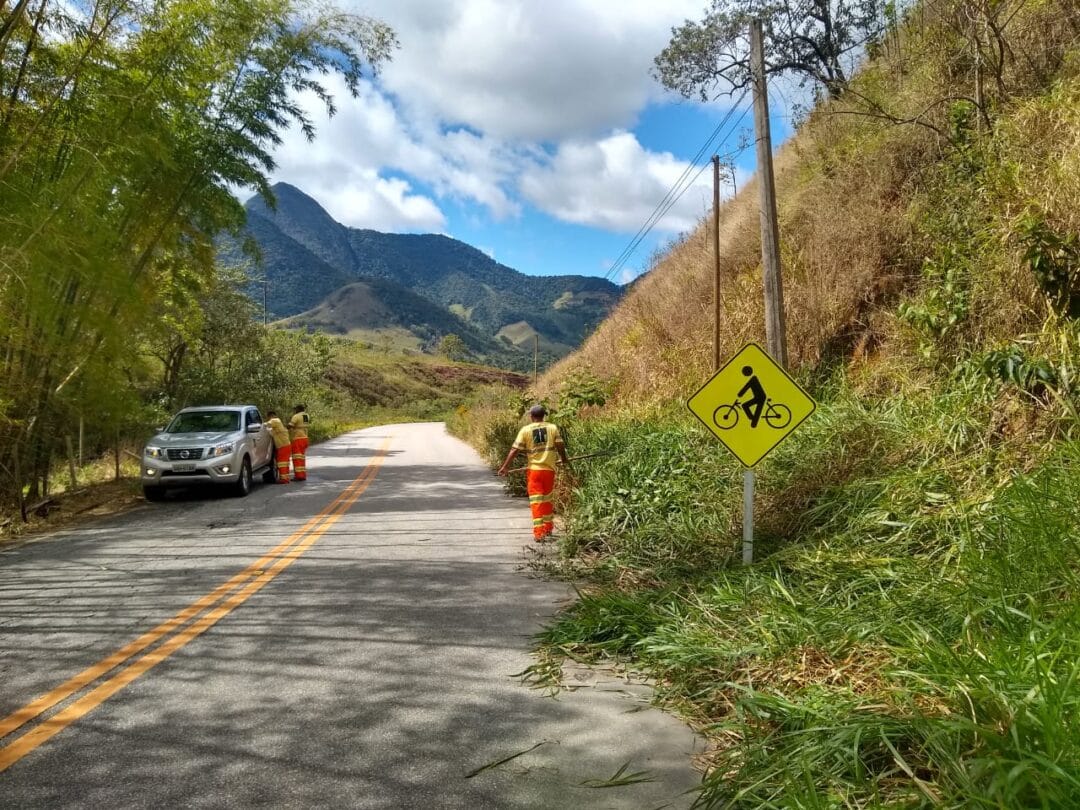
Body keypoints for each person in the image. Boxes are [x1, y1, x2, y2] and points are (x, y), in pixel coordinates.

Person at [497, 404, 570, 542]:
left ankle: (539, 533)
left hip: (534, 472)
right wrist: (564, 459)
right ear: (544, 415)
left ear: (531, 416)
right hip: (549, 471)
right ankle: (548, 528)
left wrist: (505, 467)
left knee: (536, 502)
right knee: (547, 499)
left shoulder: (525, 430)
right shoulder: (552, 428)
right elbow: (560, 445)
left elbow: (514, 450)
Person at [265, 410, 291, 484]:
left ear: (271, 416)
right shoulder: (277, 424)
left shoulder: (275, 420)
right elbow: (271, 432)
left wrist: (261, 424)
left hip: (283, 446)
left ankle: (284, 479)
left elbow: (267, 424)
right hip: (286, 445)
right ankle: (286, 478)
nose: (268, 419)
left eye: (268, 417)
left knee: (281, 463)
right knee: (285, 463)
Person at [288, 404, 310, 481]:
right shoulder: (306, 416)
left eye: (295, 409)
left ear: (298, 409)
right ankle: (303, 475)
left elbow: (290, 425)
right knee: (302, 458)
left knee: (297, 458)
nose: (295, 410)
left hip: (298, 438)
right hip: (305, 438)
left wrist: (283, 428)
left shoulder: (296, 416)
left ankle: (299, 476)